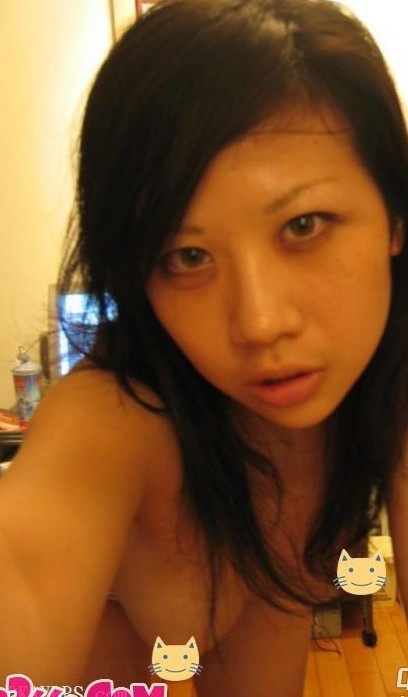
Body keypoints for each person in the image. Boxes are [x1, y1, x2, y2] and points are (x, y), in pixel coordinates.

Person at [1, 0, 408, 694]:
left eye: (303, 225)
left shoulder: (366, 394)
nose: (258, 323)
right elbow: (24, 567)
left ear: (395, 217)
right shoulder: (115, 420)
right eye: (188, 257)